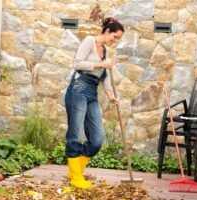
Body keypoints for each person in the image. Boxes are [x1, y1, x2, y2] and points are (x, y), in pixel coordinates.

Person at [64, 17, 124, 189]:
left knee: (97, 140)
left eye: (118, 39)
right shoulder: (89, 41)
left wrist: (111, 95)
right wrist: (100, 64)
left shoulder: (105, 51)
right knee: (75, 133)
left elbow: (103, 76)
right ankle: (76, 177)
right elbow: (77, 64)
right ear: (106, 31)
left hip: (92, 92)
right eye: (115, 37)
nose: (115, 41)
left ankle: (76, 171)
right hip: (78, 88)